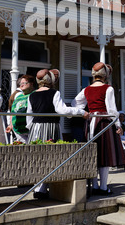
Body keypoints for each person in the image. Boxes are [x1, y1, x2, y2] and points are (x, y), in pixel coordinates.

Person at [26, 69, 88, 199]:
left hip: (36, 128)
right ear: (50, 80)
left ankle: (38, 188)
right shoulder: (55, 93)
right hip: (50, 127)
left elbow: (29, 116)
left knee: (37, 158)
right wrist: (80, 112)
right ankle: (42, 189)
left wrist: (31, 128)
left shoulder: (31, 95)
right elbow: (62, 110)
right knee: (48, 157)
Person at [71, 62, 125, 196]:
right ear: (105, 75)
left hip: (91, 123)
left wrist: (84, 113)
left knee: (94, 153)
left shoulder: (86, 89)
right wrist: (118, 125)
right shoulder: (108, 88)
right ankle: (103, 187)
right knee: (105, 154)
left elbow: (75, 103)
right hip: (104, 122)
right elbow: (112, 110)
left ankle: (95, 186)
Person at [6, 75, 35, 143]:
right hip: (18, 130)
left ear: (31, 84)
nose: (21, 85)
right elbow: (12, 112)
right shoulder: (18, 96)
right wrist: (11, 125)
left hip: (30, 129)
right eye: (20, 83)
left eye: (24, 83)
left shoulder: (34, 95)